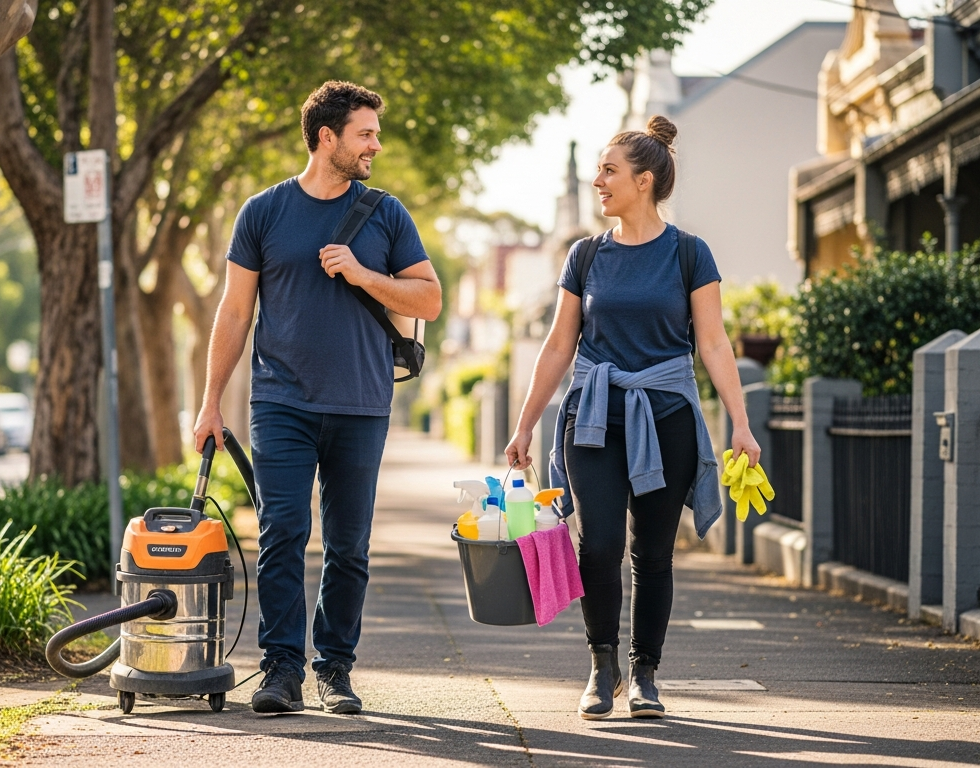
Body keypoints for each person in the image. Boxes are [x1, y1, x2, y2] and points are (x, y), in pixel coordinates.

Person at [194, 81, 442, 715]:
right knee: (281, 535)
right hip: (280, 402)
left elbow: (430, 300)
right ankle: (281, 670)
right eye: (365, 133)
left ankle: (335, 669)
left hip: (362, 403)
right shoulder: (264, 212)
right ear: (326, 137)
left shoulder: (386, 213)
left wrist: (363, 273)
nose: (375, 145)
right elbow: (234, 311)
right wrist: (209, 401)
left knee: (348, 546)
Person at [504, 115, 760, 720]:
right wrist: (524, 425)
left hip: (666, 414)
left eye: (609, 170)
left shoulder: (690, 253)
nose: (598, 180)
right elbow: (558, 346)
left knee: (653, 552)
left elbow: (715, 344)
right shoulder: (586, 255)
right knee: (597, 547)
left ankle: (645, 675)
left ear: (643, 181)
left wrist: (740, 424)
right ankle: (602, 666)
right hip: (593, 416)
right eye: (597, 170)